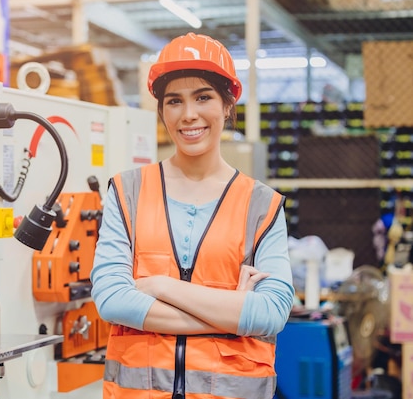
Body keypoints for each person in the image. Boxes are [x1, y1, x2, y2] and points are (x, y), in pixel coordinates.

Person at [90, 32, 295, 399]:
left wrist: (159, 286)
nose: (189, 115)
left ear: (227, 105)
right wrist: (232, 316)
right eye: (174, 101)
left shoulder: (262, 205)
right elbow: (111, 298)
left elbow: (271, 313)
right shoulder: (127, 192)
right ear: (162, 111)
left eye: (203, 97)